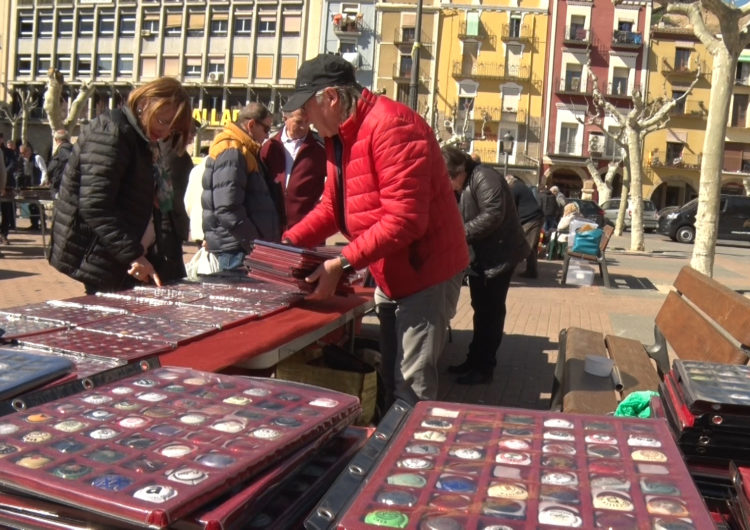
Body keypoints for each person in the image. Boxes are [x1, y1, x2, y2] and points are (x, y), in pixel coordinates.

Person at [281, 54, 469, 406]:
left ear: (332, 98)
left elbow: (405, 219)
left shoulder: (393, 125)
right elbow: (332, 208)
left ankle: (412, 454)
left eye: (307, 106)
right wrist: (287, 242)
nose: (303, 117)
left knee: (411, 384)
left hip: (425, 272)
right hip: (391, 269)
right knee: (390, 372)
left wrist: (342, 263)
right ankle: (389, 440)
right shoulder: (339, 136)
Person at [49, 76, 193, 293]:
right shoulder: (112, 130)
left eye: (171, 129)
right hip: (105, 256)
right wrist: (133, 254)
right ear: (145, 103)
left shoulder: (143, 138)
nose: (164, 133)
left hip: (129, 255)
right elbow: (95, 204)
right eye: (163, 122)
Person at [442, 146, 530, 385]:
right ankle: (474, 359)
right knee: (481, 310)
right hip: (483, 258)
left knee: (490, 313)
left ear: (460, 171)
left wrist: (459, 234)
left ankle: (484, 367)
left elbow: (493, 214)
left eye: (449, 178)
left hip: (499, 257)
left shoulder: (484, 177)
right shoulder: (468, 181)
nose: (449, 184)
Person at [201, 102, 281, 271]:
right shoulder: (233, 149)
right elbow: (227, 208)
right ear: (251, 124)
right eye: (266, 129)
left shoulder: (243, 149)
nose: (267, 136)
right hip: (235, 250)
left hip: (238, 247)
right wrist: (254, 243)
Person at [260, 108, 326, 230]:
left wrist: (319, 210)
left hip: (308, 228)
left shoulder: (320, 149)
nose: (305, 127)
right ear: (285, 119)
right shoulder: (269, 147)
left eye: (308, 122)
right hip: (273, 228)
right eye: (299, 122)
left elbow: (334, 184)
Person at [150, 125, 194, 282]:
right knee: (170, 280)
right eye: (191, 133)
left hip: (165, 226)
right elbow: (174, 197)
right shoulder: (175, 155)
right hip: (168, 226)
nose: (193, 138)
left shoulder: (165, 149)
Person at [506, 175, 544, 279]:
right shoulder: (521, 186)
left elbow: (511, 208)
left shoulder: (514, 189)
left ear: (509, 183)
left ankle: (507, 271)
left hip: (530, 219)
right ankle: (532, 271)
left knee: (522, 245)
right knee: (531, 247)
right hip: (535, 217)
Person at [17, 142, 48, 230]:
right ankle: (34, 224)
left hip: (37, 185)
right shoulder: (22, 159)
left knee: (38, 205)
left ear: (29, 151)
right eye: (21, 153)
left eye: (24, 153)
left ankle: (43, 224)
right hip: (28, 185)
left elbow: (44, 170)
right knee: (31, 205)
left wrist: (42, 182)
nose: (22, 155)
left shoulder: (37, 158)